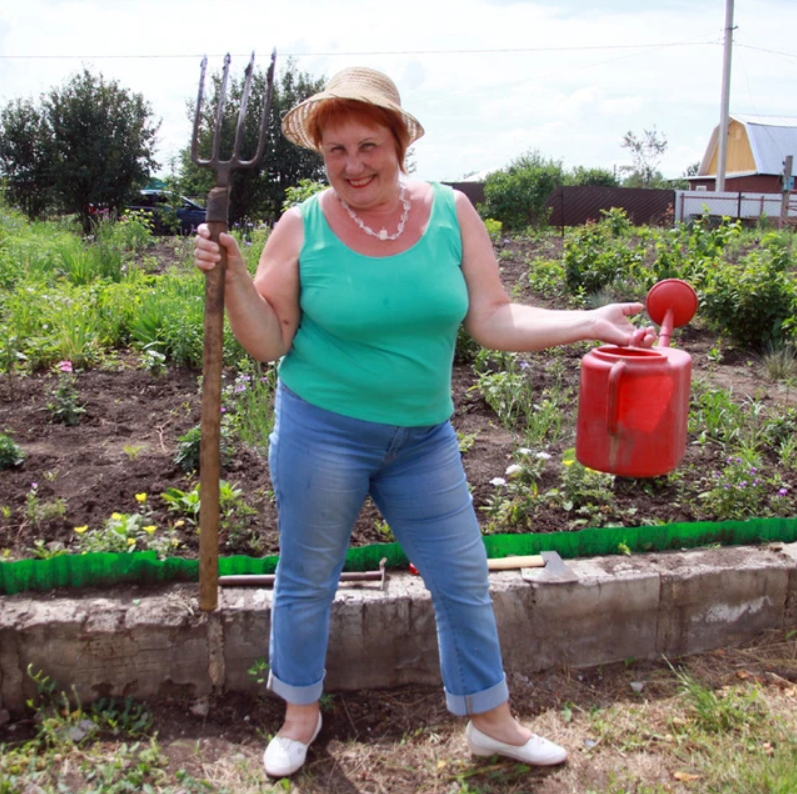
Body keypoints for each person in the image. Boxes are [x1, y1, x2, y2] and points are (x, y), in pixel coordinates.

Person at [193, 66, 656, 777]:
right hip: (323, 429)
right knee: (308, 576)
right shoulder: (302, 225)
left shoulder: (450, 213)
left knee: (462, 575)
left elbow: (494, 317)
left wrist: (586, 321)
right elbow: (267, 341)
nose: (352, 165)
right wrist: (230, 279)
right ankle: (298, 715)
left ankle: (490, 721)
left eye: (368, 145)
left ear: (400, 142)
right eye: (335, 150)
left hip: (421, 437)